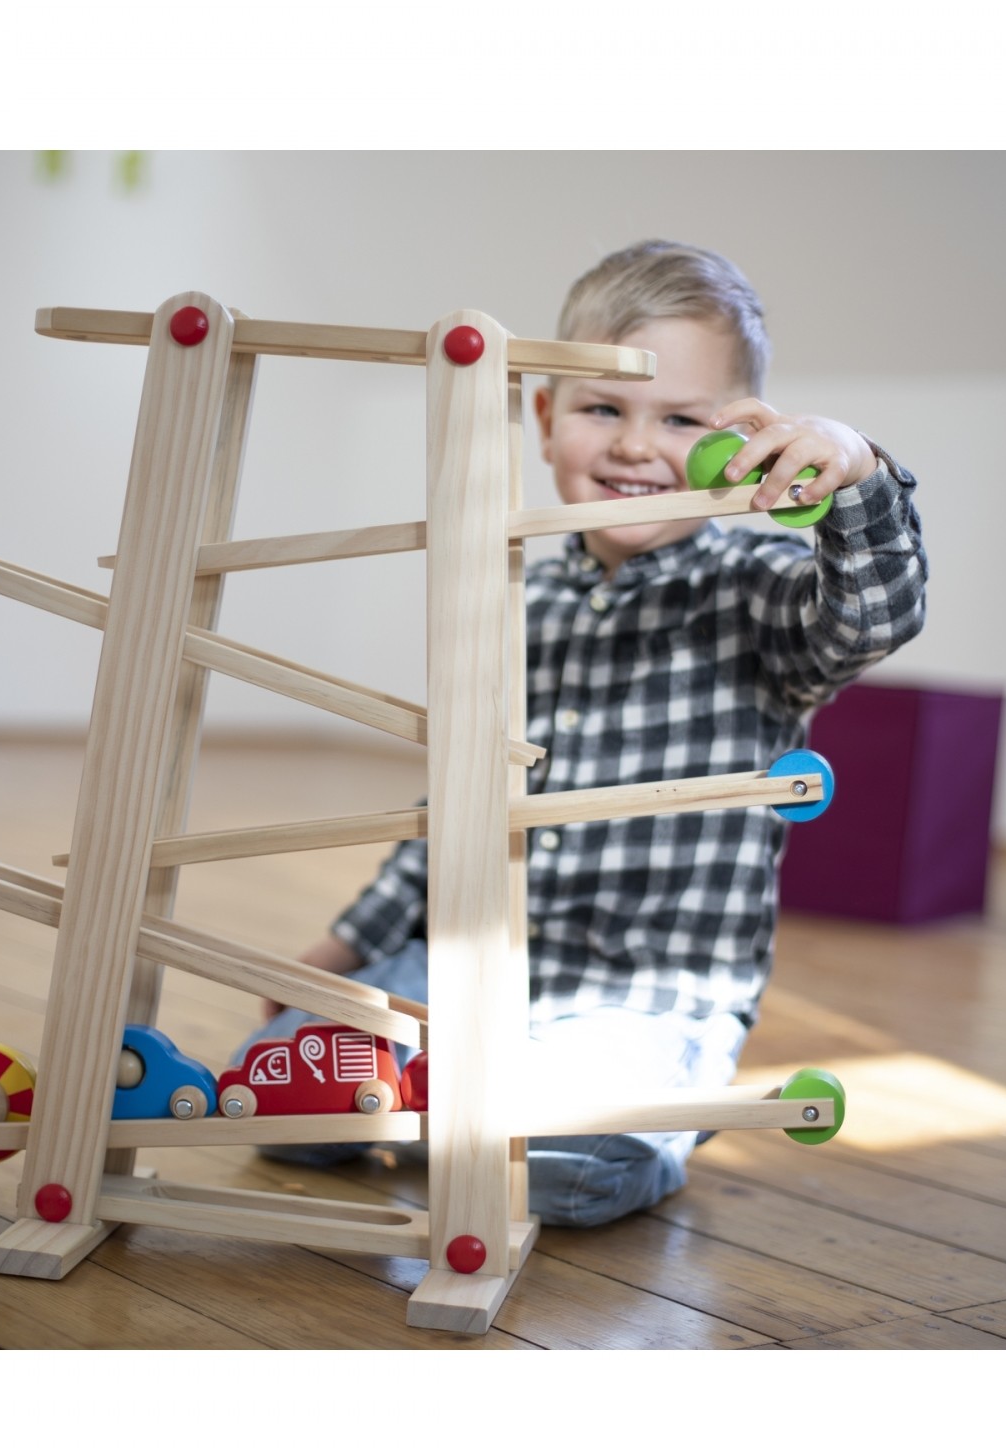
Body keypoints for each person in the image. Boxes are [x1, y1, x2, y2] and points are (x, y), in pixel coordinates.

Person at [237, 240, 927, 1226]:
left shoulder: (760, 591)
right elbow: (455, 806)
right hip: (469, 968)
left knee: (565, 1167)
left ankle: (618, 1114)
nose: (636, 447)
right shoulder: (513, 594)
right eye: (604, 408)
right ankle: (463, 1100)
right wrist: (350, 944)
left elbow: (876, 616)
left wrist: (856, 477)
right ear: (544, 418)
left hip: (642, 1002)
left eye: (681, 419)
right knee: (270, 1094)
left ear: (743, 439)